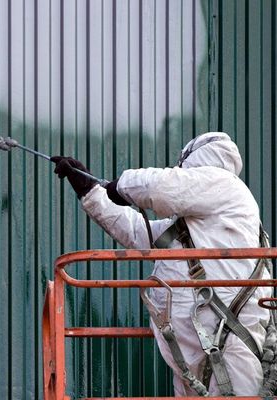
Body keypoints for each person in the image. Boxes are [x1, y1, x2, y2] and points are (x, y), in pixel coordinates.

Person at [51, 132, 273, 396]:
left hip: (229, 335)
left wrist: (122, 185)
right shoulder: (196, 222)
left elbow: (161, 188)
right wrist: (90, 192)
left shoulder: (225, 186)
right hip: (196, 343)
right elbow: (138, 233)